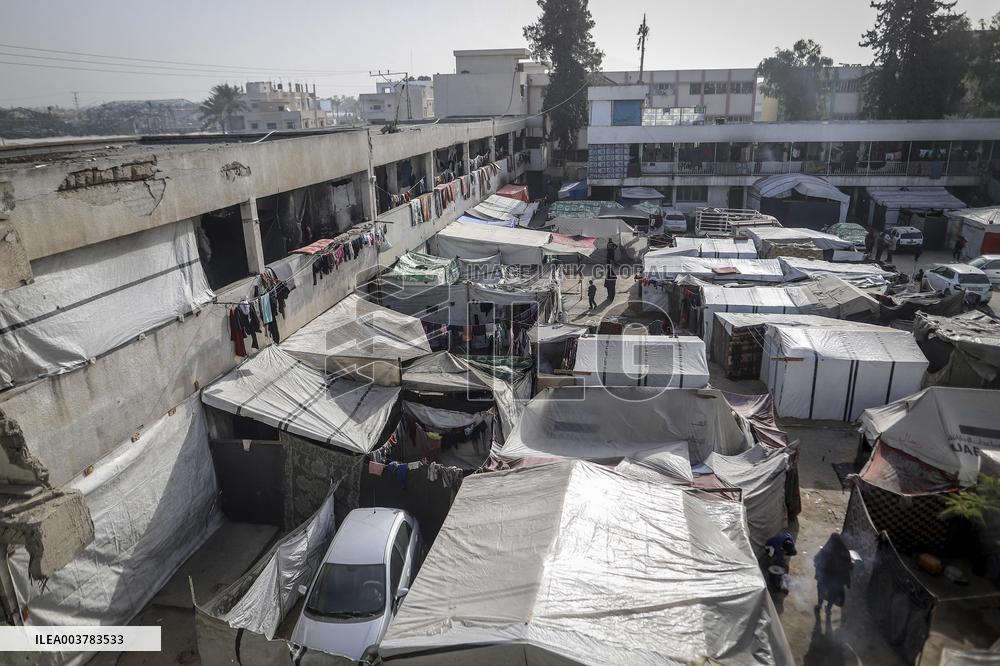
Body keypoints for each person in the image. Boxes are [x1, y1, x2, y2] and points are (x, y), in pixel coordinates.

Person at [814, 532, 854, 620]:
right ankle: (828, 609)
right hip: (837, 581)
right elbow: (850, 567)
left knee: (821, 591)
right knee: (833, 594)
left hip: (825, 578)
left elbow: (817, 558)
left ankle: (819, 605)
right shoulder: (845, 551)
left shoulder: (827, 549)